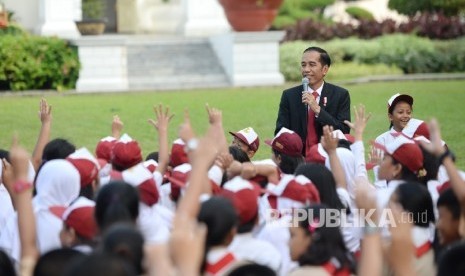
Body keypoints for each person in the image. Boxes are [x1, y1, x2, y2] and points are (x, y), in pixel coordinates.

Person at [274, 46, 351, 160]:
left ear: (324, 69)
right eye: (303, 65)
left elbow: (343, 131)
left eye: (312, 64)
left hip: (328, 158)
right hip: (298, 160)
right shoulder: (289, 96)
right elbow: (280, 132)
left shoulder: (340, 95)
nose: (306, 69)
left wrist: (318, 110)